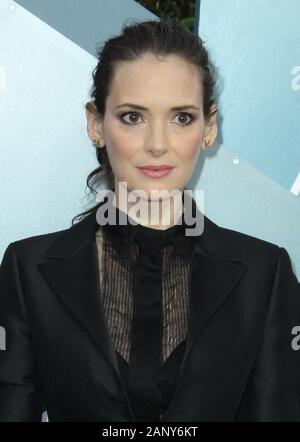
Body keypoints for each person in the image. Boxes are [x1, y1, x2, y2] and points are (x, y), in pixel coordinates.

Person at [0, 17, 299, 422]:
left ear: (209, 127)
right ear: (96, 124)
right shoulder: (27, 269)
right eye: (132, 117)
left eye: (181, 118)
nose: (157, 145)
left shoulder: (266, 275)